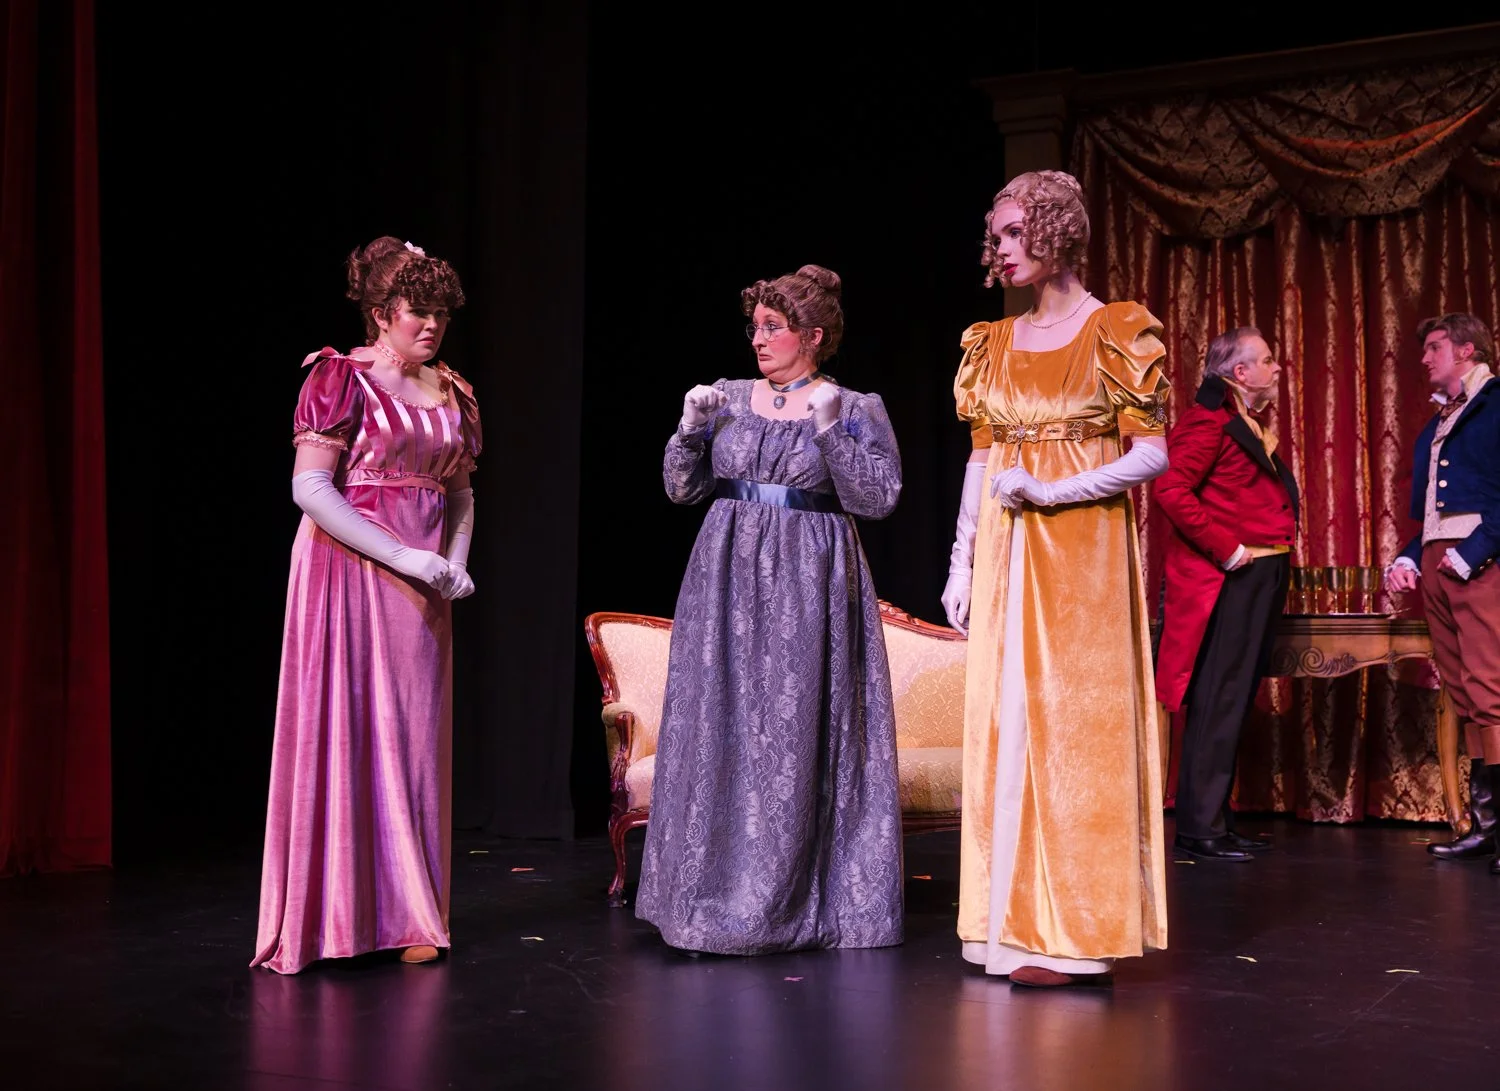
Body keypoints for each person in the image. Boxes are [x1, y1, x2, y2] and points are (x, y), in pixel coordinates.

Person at [941, 171, 1170, 987]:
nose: (996, 249)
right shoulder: (991, 344)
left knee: (1076, 733)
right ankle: (1007, 925)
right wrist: (961, 560)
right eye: (994, 235)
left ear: (1053, 230)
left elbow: (1151, 453)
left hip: (1083, 556)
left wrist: (1052, 490)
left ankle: (1073, 929)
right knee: (1007, 725)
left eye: (1009, 233)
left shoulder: (1117, 329)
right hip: (1007, 551)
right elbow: (979, 458)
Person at [635, 264, 904, 955]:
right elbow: (680, 489)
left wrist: (830, 433)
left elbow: (877, 499)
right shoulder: (725, 397)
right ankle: (702, 898)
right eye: (754, 326)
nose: (757, 338)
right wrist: (689, 431)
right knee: (721, 722)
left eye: (773, 327)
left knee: (793, 731)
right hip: (724, 578)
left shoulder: (854, 406)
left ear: (812, 335)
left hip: (811, 579)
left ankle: (790, 903)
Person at [252, 237, 481, 974]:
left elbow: (460, 493)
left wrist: (451, 564)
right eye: (418, 312)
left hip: (420, 586)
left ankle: (413, 907)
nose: (432, 326)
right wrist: (408, 554)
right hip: (344, 572)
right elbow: (312, 489)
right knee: (344, 730)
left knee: (413, 740)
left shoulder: (454, 390)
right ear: (381, 313)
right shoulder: (340, 379)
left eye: (441, 313)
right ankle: (335, 915)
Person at [1153, 327, 1298, 861]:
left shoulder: (1240, 422)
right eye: (1265, 359)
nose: (1275, 367)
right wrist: (1227, 548)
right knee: (1218, 698)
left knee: (1233, 700)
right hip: (1232, 577)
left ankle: (1216, 817)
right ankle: (1199, 827)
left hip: (1260, 574)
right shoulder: (1207, 422)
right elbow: (1170, 489)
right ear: (1240, 373)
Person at [1384, 313, 1500, 866]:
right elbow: (1426, 516)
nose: (1425, 359)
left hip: (1481, 562)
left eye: (1434, 348)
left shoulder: (1496, 405)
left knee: (1491, 692)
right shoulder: (1435, 424)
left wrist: (1474, 552)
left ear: (1468, 351)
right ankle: (1486, 825)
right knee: (1462, 693)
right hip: (1437, 562)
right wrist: (1408, 558)